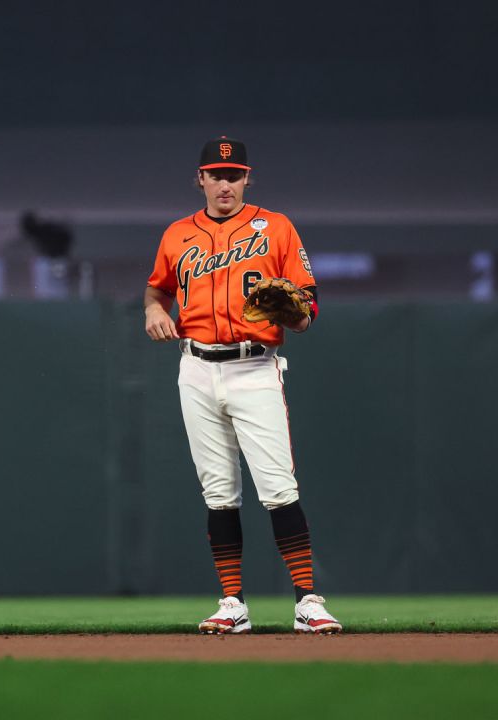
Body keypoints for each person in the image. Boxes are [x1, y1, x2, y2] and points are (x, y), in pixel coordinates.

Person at [144, 137, 342, 634]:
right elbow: (158, 287)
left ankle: (307, 601)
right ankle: (232, 603)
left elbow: (308, 303)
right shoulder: (176, 234)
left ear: (247, 178)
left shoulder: (276, 227)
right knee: (219, 494)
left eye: (234, 174)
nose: (226, 183)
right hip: (197, 367)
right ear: (201, 179)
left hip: (255, 366)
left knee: (278, 488)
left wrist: (298, 316)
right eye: (217, 174)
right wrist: (152, 308)